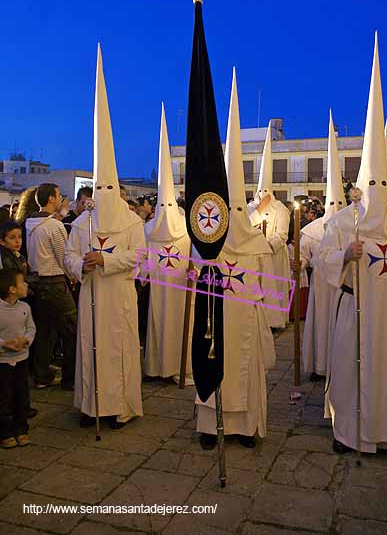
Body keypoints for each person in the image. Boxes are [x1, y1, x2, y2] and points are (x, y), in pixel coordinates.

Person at [318, 33, 387, 454]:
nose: (379, 189)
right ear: (362, 184)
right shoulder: (346, 221)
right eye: (373, 182)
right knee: (351, 369)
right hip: (356, 310)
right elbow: (326, 260)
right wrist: (346, 254)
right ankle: (349, 433)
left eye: (385, 182)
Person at [65, 45, 144, 429]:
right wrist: (82, 262)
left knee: (120, 349)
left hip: (119, 295)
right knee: (90, 350)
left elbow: (138, 258)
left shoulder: (131, 223)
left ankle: (121, 407)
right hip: (92, 293)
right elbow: (67, 256)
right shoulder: (83, 224)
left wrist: (106, 261)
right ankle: (91, 405)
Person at [197, 70, 276, 449]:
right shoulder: (206, 243)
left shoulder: (256, 246)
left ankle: (244, 427)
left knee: (242, 365)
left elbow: (266, 287)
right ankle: (209, 427)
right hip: (213, 315)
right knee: (211, 359)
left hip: (246, 317)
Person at [143, 104, 193, 382]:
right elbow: (139, 258)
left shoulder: (179, 229)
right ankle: (158, 366)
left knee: (172, 324)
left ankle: (175, 366)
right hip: (162, 288)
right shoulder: (149, 229)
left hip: (177, 287)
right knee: (160, 323)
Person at [301, 111, 346, 381]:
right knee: (320, 324)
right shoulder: (312, 231)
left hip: (342, 289)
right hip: (321, 288)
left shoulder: (352, 229)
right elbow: (305, 257)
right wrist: (301, 264)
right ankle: (320, 365)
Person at [26, 183, 77, 390]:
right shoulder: (53, 226)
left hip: (39, 282)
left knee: (45, 331)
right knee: (72, 328)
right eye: (58, 195)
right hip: (54, 282)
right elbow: (64, 257)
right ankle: (70, 378)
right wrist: (74, 276)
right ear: (51, 200)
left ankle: (42, 376)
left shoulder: (30, 223)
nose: (61, 199)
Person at [247, 121, 291, 329]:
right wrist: (257, 210)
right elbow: (246, 226)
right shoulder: (249, 208)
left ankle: (275, 321)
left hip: (273, 257)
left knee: (274, 291)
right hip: (254, 256)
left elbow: (282, 235)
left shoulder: (281, 209)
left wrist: (265, 247)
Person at [0, 269, 35, 449]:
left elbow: (31, 328)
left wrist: (26, 340)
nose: (27, 284)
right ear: (12, 289)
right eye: (23, 282)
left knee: (22, 395)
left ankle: (21, 429)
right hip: (3, 362)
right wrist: (4, 344)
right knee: (4, 397)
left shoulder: (25, 308)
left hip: (22, 359)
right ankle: (5, 432)